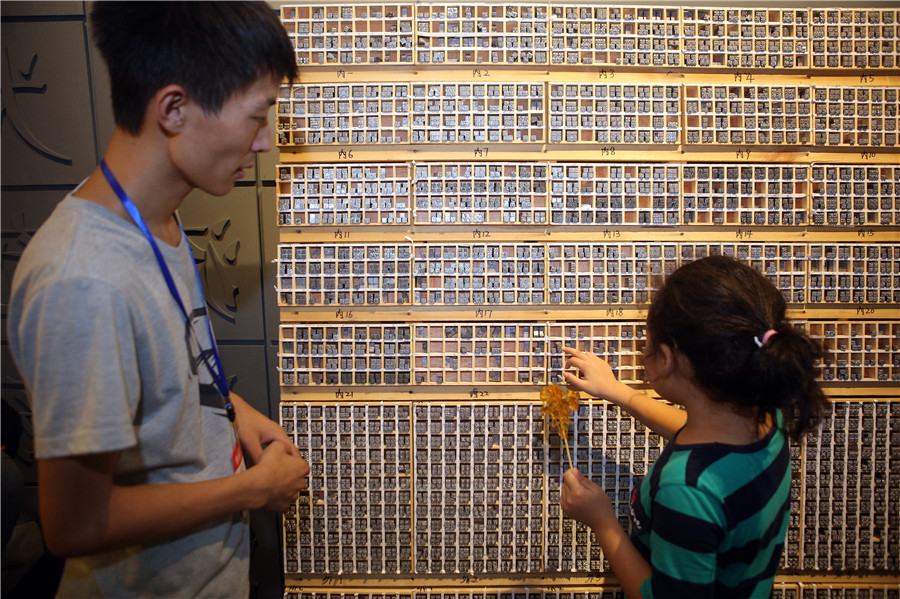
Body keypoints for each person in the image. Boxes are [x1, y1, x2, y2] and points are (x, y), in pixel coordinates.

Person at [7, 3, 310, 597]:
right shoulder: (82, 278)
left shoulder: (157, 223)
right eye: (257, 116)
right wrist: (254, 490)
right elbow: (74, 524)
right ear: (174, 109)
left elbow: (162, 366)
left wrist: (231, 409)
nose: (266, 143)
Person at [560, 255, 828, 599]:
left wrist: (603, 523)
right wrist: (618, 392)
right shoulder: (764, 418)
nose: (642, 350)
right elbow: (692, 430)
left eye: (646, 340)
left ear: (667, 359)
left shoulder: (687, 490)